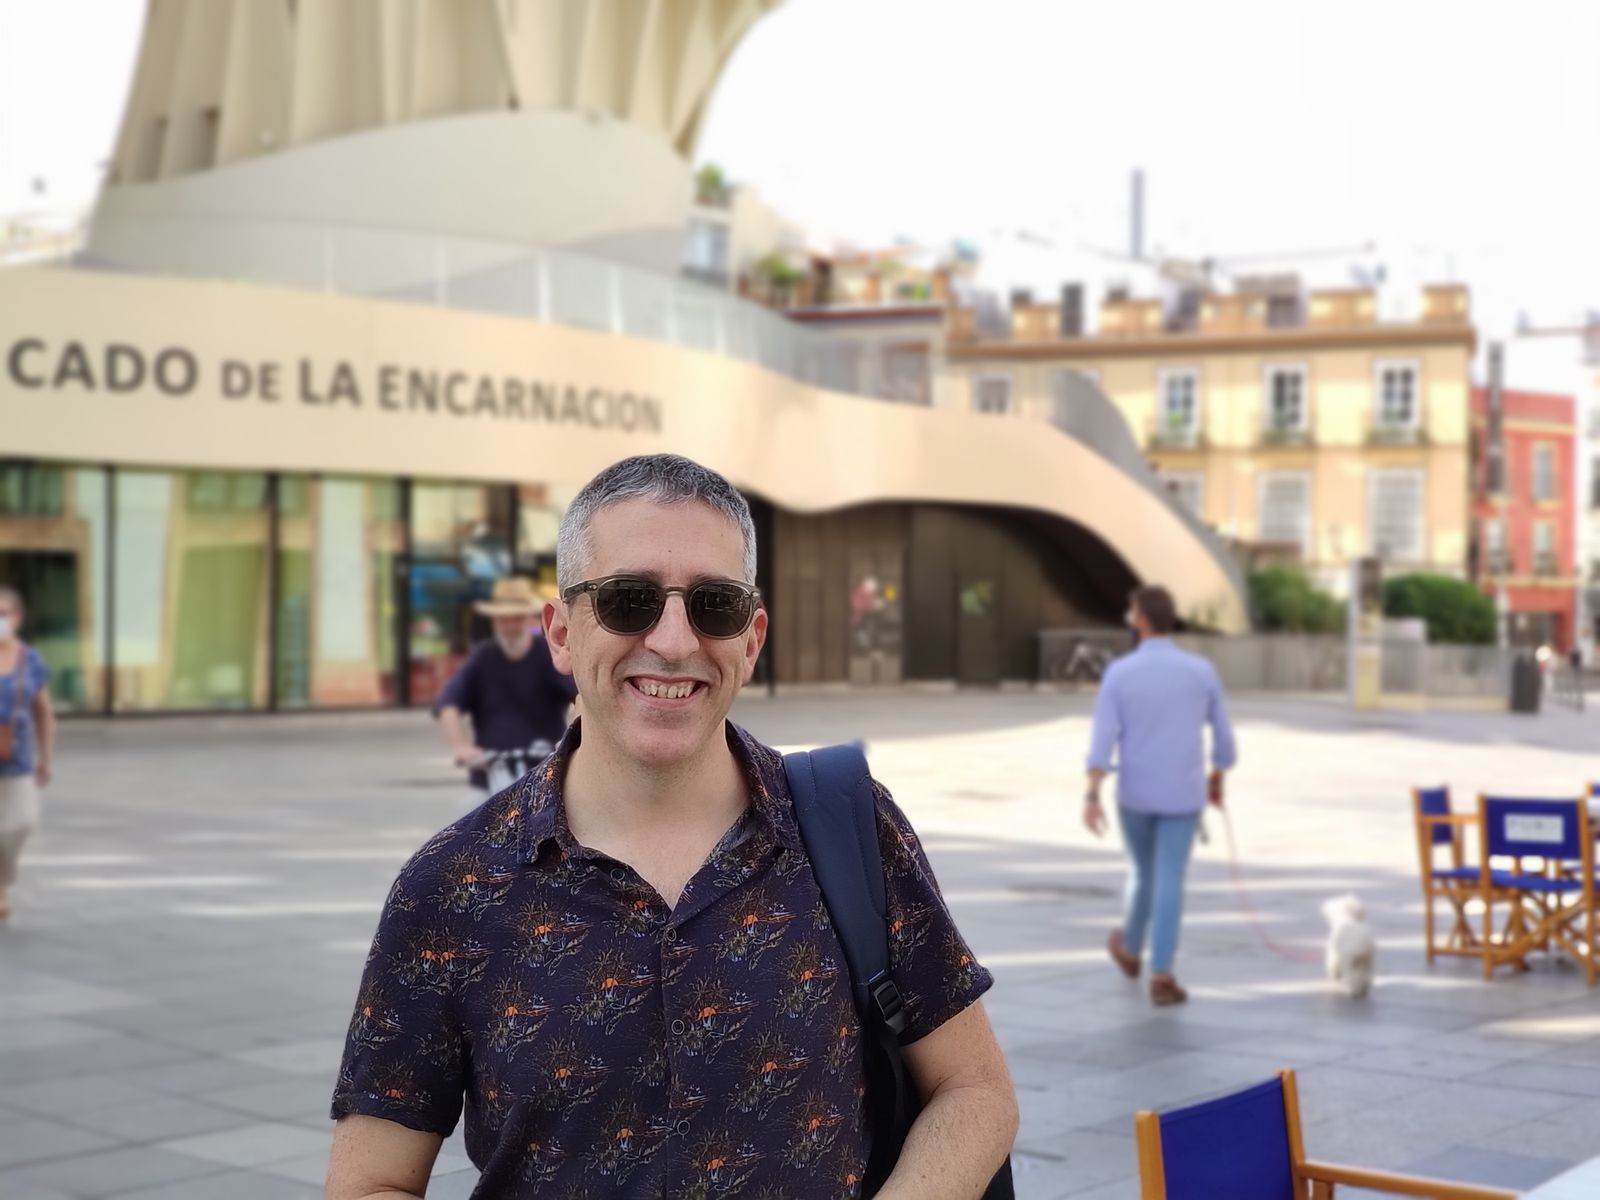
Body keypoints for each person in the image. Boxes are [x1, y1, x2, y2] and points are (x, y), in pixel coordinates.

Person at [328, 454, 1017, 1199]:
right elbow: (372, 1181)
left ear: (750, 640)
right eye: (630, 600)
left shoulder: (849, 826)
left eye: (714, 604)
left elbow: (974, 1089)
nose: (676, 640)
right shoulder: (449, 889)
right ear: (561, 632)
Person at [1083, 584, 1236, 1006]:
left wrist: (1092, 794)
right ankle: (1162, 973)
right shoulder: (1200, 671)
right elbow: (1223, 739)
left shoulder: (1120, 674)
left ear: (1144, 620)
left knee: (1142, 872)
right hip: (1184, 795)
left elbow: (1102, 742)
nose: (1129, 621)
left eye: (1132, 614)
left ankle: (1131, 947)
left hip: (1136, 793)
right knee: (1169, 876)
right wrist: (1218, 773)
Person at [434, 576, 577, 804]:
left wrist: (574, 740)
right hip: (489, 773)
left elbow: (582, 698)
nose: (510, 626)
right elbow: (448, 705)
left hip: (543, 774)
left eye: (516, 618)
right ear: (494, 621)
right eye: (503, 619)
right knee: (472, 831)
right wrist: (461, 748)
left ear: (527, 619)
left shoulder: (547, 655)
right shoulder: (483, 657)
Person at [0, 586, 54, 921]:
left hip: (16, 757)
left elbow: (43, 712)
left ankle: (1, 877)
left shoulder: (30, 659)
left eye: (4, 613)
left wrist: (46, 757)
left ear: (18, 618)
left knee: (21, 824)